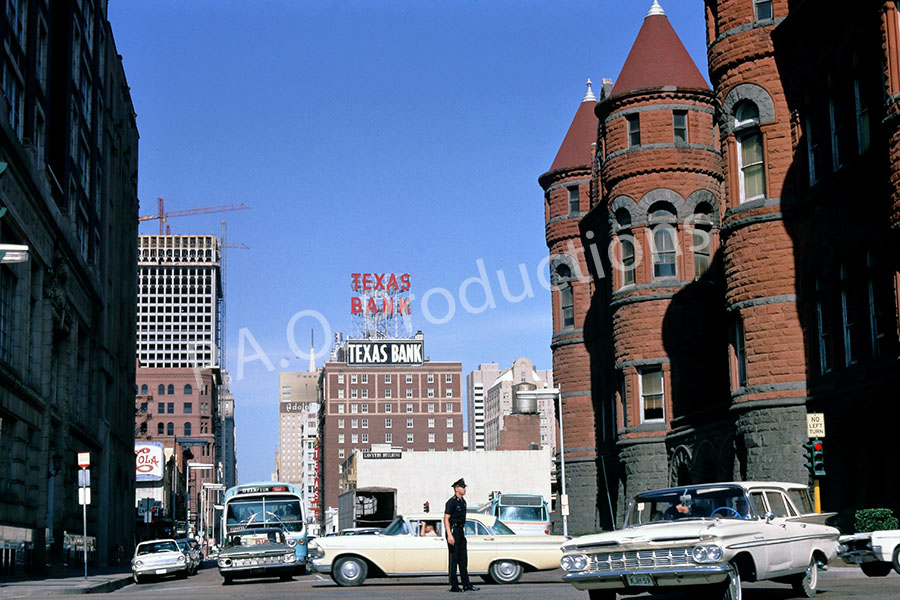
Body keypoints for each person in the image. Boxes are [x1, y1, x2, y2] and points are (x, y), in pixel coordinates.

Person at [444, 478, 478, 593]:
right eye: (463, 487)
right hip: (453, 530)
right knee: (454, 559)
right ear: (457, 489)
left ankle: (466, 584)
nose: (464, 489)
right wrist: (449, 535)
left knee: (463, 559)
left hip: (460, 530)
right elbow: (446, 518)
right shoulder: (451, 502)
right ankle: (454, 585)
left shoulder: (463, 502)